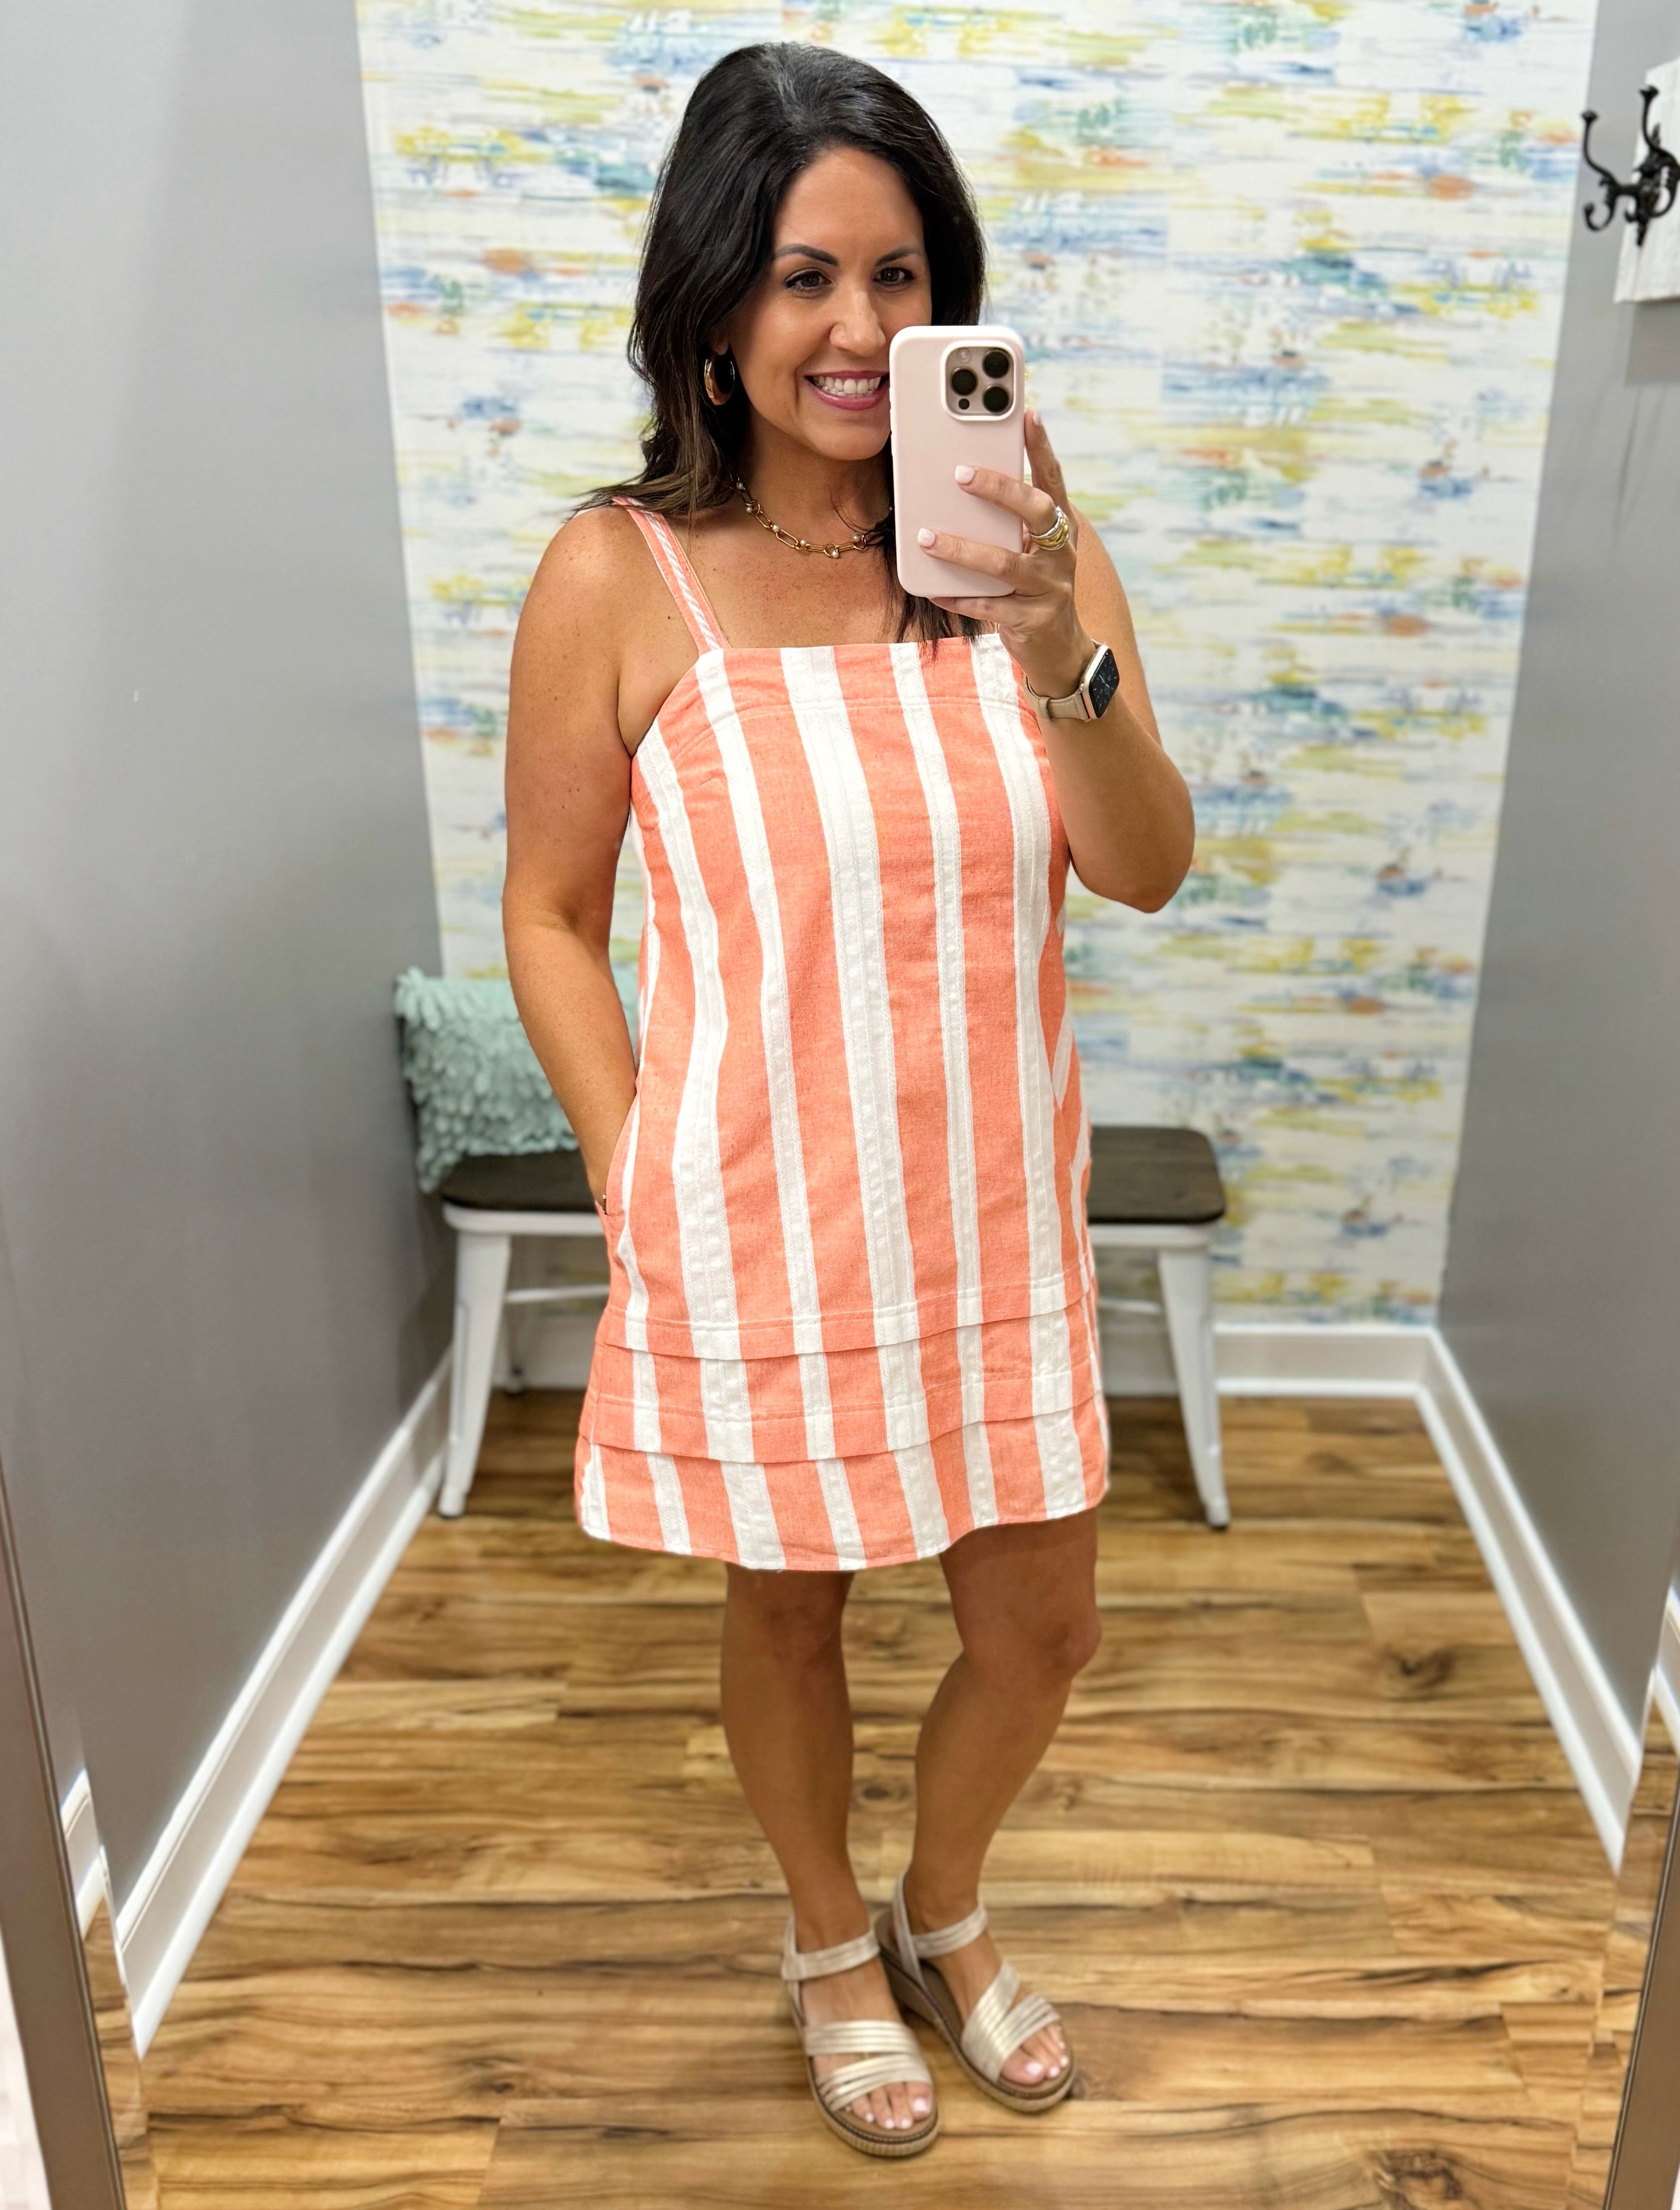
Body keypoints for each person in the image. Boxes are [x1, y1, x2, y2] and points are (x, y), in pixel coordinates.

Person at [503, 40, 1193, 2159]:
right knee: (786, 1604)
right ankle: (824, 1936)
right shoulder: (619, 574)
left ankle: (940, 1904)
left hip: (992, 1205)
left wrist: (1058, 638)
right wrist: (634, 1161)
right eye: (804, 274)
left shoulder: (1027, 552)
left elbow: (1143, 865)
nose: (856, 326)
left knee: (1044, 1626)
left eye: (899, 277)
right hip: (758, 1213)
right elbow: (548, 911)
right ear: (714, 301)